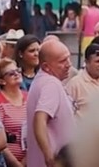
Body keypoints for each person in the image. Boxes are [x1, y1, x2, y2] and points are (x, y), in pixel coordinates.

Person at [25, 39, 75, 167]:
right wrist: (49, 156)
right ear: (46, 66)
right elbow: (40, 118)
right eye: (62, 61)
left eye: (68, 59)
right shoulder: (50, 84)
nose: (69, 64)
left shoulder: (41, 81)